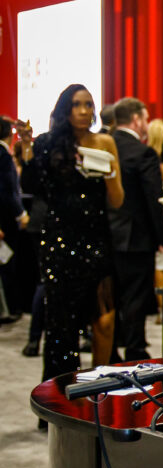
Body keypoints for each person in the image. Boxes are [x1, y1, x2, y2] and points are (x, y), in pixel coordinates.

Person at [23, 84, 124, 380]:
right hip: (58, 240)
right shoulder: (47, 144)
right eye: (77, 104)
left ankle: (98, 389)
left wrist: (110, 173)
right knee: (61, 325)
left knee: (104, 320)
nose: (84, 111)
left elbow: (117, 200)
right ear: (65, 109)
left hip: (97, 239)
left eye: (89, 104)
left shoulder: (105, 142)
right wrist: (28, 146)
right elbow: (31, 186)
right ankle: (62, 395)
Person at [108, 97, 163, 360]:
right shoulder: (143, 153)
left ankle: (110, 349)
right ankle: (135, 347)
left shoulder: (104, 146)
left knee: (109, 296)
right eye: (145, 119)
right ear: (136, 119)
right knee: (134, 296)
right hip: (136, 237)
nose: (146, 124)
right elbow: (153, 198)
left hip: (105, 235)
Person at [0, 117, 29, 321]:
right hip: (5, 219)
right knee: (8, 263)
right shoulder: (2, 155)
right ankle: (11, 308)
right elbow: (8, 190)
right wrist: (21, 214)